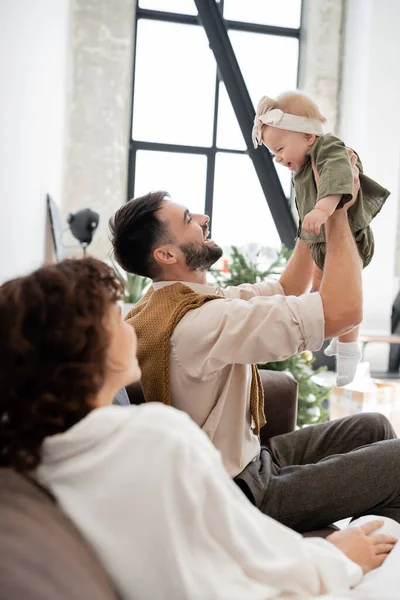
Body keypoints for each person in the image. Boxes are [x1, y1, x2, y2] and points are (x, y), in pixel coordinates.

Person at [0, 257, 398, 600]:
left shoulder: (48, 454)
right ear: (83, 350)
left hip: (249, 468)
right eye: (114, 319)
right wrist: (339, 558)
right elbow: (249, 553)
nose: (128, 325)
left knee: (374, 426)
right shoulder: (156, 437)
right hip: (255, 503)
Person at [109, 159, 400, 535]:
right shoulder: (200, 322)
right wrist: (338, 214)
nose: (202, 217)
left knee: (373, 427)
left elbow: (288, 289)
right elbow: (343, 312)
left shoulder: (172, 300)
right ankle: (364, 563)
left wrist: (312, 213)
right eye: (187, 220)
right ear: (167, 255)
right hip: (237, 495)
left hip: (251, 462)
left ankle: (371, 543)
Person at [252, 90, 390, 387]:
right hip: (321, 245)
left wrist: (322, 209)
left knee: (342, 294)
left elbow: (340, 181)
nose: (278, 158)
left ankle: (349, 349)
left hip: (348, 242)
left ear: (308, 136)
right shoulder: (301, 166)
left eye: (280, 149)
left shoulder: (330, 148)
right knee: (319, 294)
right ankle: (331, 330)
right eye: (273, 154)